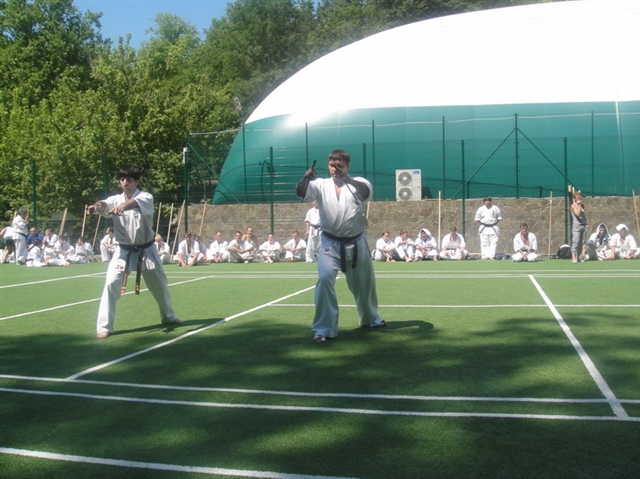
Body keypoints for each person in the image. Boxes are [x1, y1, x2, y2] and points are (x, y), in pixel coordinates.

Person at [296, 149, 386, 343]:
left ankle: (370, 318)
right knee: (324, 279)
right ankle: (324, 329)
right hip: (330, 243)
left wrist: (347, 179)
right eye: (332, 165)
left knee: (364, 285)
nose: (335, 169)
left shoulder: (358, 183)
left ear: (347, 166)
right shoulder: (321, 184)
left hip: (356, 242)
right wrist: (306, 179)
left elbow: (365, 193)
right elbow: (301, 192)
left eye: (339, 166)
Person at [88, 165, 181, 339]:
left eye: (129, 180)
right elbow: (104, 205)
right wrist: (96, 207)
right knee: (111, 284)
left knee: (160, 285)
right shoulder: (115, 199)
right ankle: (104, 326)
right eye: (122, 180)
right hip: (123, 250)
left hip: (147, 249)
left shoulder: (146, 197)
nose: (125, 183)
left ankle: (168, 316)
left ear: (136, 181)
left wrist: (123, 206)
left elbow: (134, 203)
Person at [569, 189, 588, 263]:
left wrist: (586, 223)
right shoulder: (573, 206)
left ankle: (579, 257)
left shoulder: (582, 206)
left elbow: (583, 215)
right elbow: (578, 214)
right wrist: (579, 205)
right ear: (575, 198)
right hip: (576, 227)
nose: (579, 198)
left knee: (581, 242)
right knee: (576, 242)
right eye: (578, 197)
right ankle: (573, 257)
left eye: (580, 197)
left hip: (583, 226)